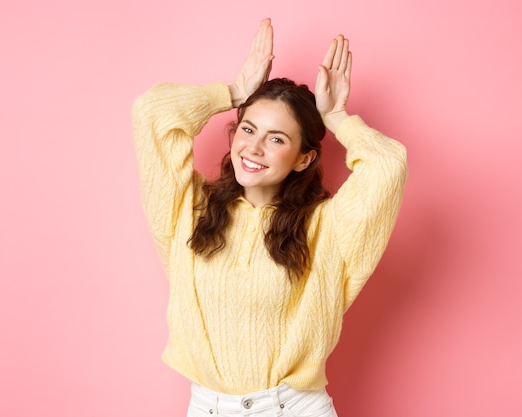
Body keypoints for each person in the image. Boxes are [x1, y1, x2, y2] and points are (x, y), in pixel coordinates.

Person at [133, 18, 407, 417]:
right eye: (248, 128)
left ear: (304, 158)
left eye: (276, 138)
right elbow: (151, 113)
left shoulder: (325, 228)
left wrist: (337, 118)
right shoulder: (189, 209)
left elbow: (389, 164)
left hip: (292, 408)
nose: (254, 148)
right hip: (208, 407)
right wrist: (232, 92)